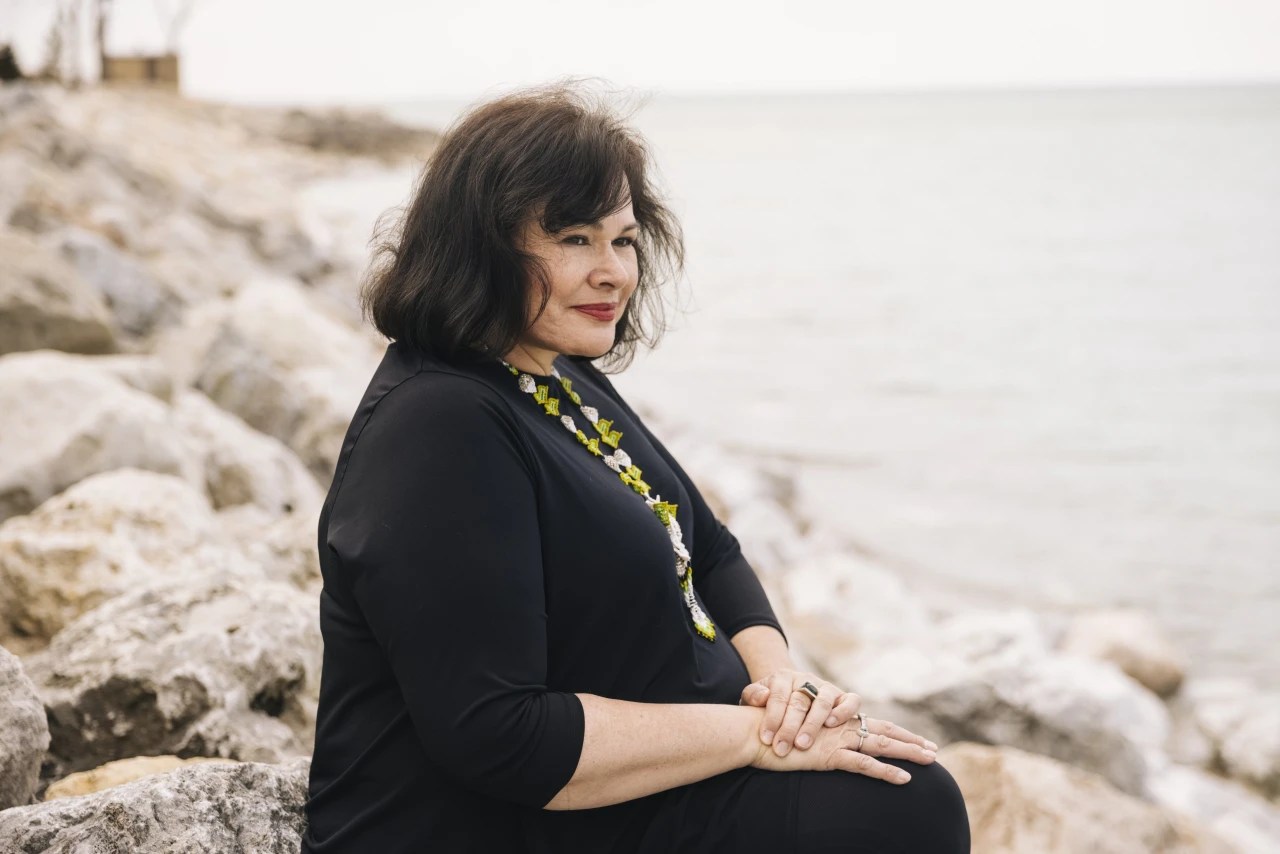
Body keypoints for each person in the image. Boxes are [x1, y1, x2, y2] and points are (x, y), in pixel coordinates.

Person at [301, 81, 971, 853]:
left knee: (904, 788)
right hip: (502, 820)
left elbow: (709, 548)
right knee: (899, 808)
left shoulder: (556, 374)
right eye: (574, 239)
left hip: (637, 788)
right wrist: (756, 738)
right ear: (479, 244)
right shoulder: (439, 425)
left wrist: (785, 688)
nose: (614, 272)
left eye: (622, 240)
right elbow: (499, 736)